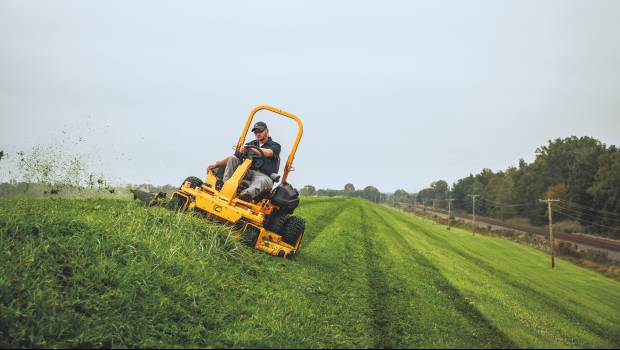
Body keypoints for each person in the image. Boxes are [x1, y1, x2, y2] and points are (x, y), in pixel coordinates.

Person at [207, 121, 281, 201]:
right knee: (233, 159)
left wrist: (250, 148)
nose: (258, 134)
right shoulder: (251, 144)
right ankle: (225, 185)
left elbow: (268, 153)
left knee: (263, 181)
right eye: (256, 132)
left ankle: (246, 195)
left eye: (260, 131)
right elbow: (234, 157)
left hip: (263, 176)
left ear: (266, 130)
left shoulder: (275, 145)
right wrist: (216, 165)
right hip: (247, 171)